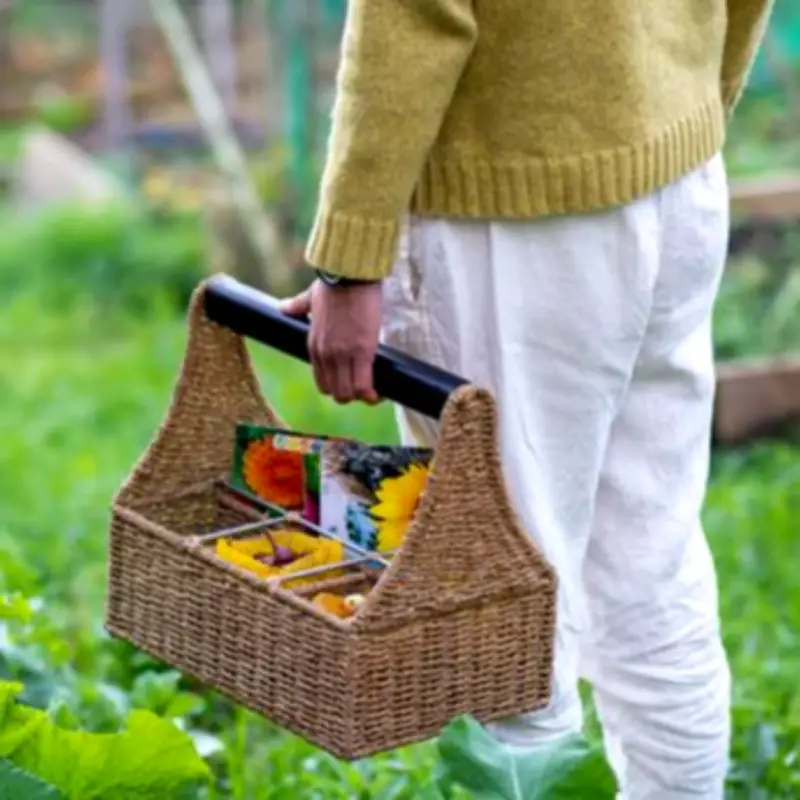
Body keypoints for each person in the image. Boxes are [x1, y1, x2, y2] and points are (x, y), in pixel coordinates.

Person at [282, 1, 775, 796]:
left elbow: (414, 14)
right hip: (676, 178)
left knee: (505, 606)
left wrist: (351, 258)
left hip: (512, 205)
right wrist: (681, 110)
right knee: (651, 560)